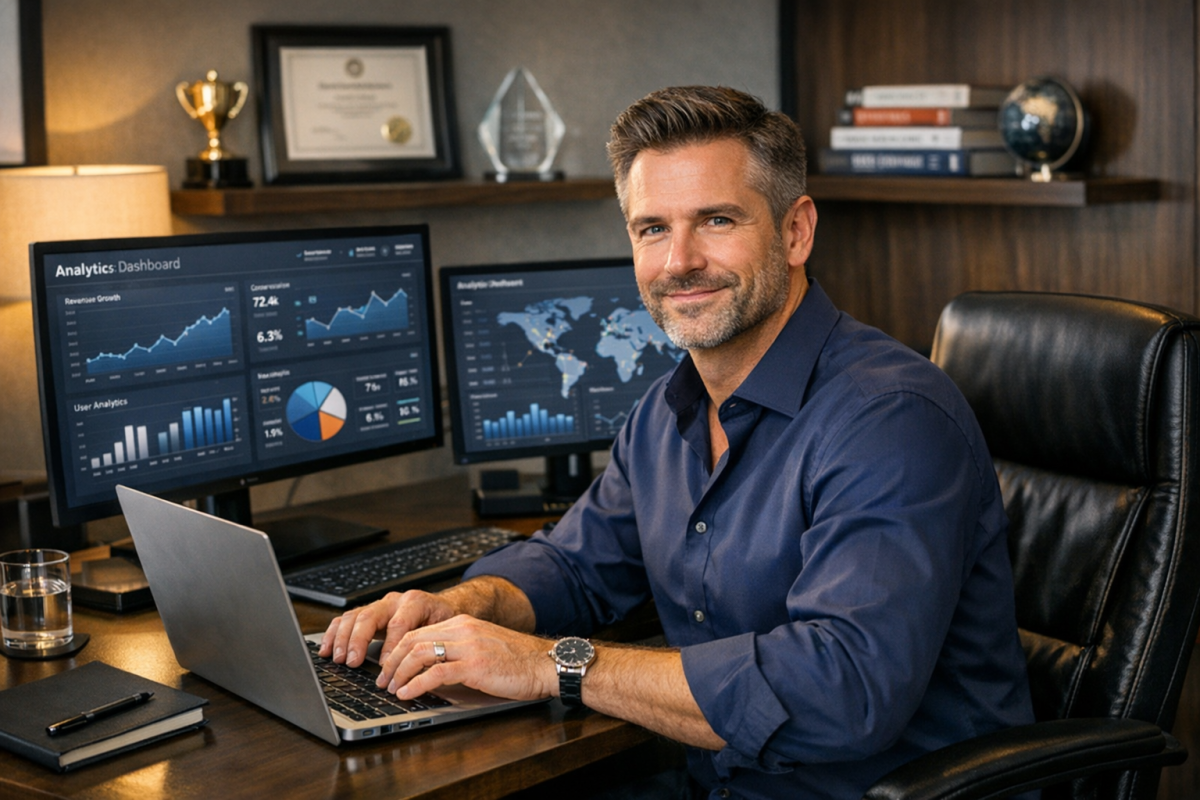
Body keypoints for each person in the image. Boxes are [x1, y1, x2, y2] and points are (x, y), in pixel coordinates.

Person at [321, 85, 1034, 799]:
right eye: (652, 229)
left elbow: (841, 690)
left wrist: (550, 664)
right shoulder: (668, 411)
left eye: (716, 220)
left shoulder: (890, 419)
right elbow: (578, 564)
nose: (678, 261)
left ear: (796, 232)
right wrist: (464, 607)